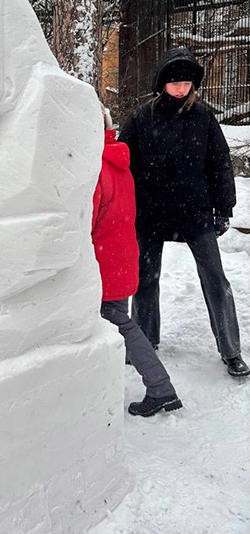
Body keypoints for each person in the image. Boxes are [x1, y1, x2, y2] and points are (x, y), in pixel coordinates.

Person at [119, 47, 249, 378]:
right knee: (145, 280)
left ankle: (231, 350)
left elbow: (220, 164)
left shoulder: (203, 118)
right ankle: (144, 341)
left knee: (215, 279)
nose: (180, 88)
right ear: (162, 83)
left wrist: (224, 208)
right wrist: (123, 207)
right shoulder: (141, 118)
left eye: (186, 82)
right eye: (175, 82)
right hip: (150, 212)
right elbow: (123, 165)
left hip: (195, 212)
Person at [93, 106, 183, 416]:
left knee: (119, 322)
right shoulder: (118, 162)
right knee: (117, 321)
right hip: (120, 257)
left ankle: (161, 388)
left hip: (104, 262)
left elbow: (86, 223)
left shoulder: (95, 169)